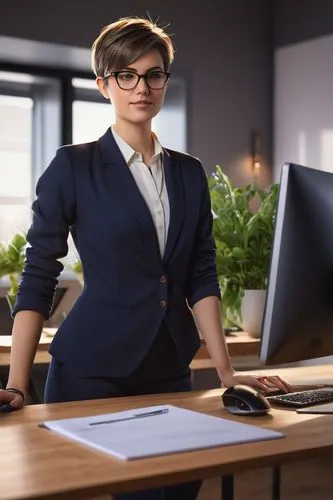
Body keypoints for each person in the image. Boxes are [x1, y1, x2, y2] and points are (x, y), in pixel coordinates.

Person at [0, 16, 291, 500]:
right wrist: (15, 384)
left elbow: (201, 274)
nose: (142, 87)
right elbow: (38, 275)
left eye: (154, 74)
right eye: (126, 75)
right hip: (90, 371)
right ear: (103, 84)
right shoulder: (73, 166)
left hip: (168, 366)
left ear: (165, 81)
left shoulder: (190, 173)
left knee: (173, 493)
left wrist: (226, 372)